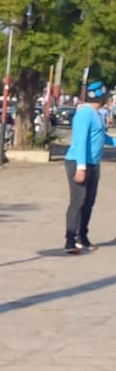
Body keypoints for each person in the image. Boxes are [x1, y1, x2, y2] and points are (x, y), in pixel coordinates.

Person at [63, 79, 107, 253]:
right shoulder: (85, 114)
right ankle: (70, 240)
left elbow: (101, 137)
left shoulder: (98, 115)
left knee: (89, 202)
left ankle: (83, 236)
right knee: (78, 201)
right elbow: (80, 142)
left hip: (93, 163)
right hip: (78, 162)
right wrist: (81, 167)